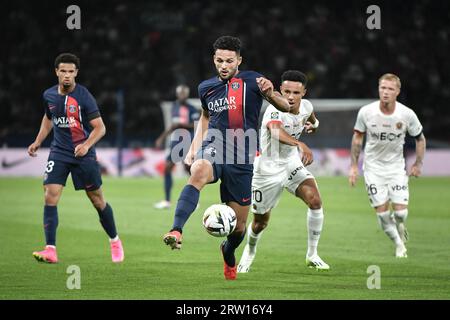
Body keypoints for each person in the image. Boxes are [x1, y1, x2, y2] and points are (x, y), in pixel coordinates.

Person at [162, 35, 291, 280]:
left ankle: (228, 252)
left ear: (239, 60)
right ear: (214, 60)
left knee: (239, 227)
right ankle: (176, 230)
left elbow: (286, 107)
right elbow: (206, 117)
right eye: (220, 60)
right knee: (198, 170)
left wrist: (271, 94)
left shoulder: (254, 81)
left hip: (243, 157)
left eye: (229, 61)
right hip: (215, 146)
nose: (224, 65)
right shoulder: (205, 87)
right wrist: (192, 148)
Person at [28, 53, 124, 263]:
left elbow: (100, 128)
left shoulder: (84, 96)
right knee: (50, 195)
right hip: (59, 152)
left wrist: (86, 145)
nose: (67, 76)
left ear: (76, 73)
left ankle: (114, 240)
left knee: (97, 200)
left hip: (83, 154)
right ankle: (50, 249)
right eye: (63, 71)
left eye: (71, 72)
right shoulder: (49, 95)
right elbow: (48, 118)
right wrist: (38, 141)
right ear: (56, 72)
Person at [237, 70, 330, 273]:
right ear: (280, 90)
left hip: (290, 163)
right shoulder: (274, 110)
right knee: (260, 223)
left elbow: (313, 120)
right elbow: (276, 131)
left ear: (304, 92)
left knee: (315, 201)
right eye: (286, 91)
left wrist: (314, 126)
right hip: (266, 170)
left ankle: (312, 254)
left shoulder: (307, 106)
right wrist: (300, 143)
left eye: (295, 92)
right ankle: (250, 250)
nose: (290, 96)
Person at [349, 73, 426, 258]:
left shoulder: (406, 114)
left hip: (396, 168)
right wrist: (353, 166)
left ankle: (399, 224)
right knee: (383, 216)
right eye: (383, 87)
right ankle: (399, 245)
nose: (385, 92)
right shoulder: (366, 112)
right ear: (378, 89)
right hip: (373, 169)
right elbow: (357, 138)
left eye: (390, 89)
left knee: (401, 214)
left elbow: (420, 139)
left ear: (397, 92)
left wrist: (418, 164)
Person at [154, 85, 200, 209]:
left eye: (184, 93)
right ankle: (168, 200)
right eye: (180, 93)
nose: (182, 95)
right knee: (175, 169)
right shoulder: (174, 107)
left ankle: (192, 200)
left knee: (183, 168)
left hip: (187, 139)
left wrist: (182, 124)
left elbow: (197, 125)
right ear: (177, 94)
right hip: (176, 140)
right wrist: (162, 138)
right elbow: (173, 126)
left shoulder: (192, 109)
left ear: (187, 94)